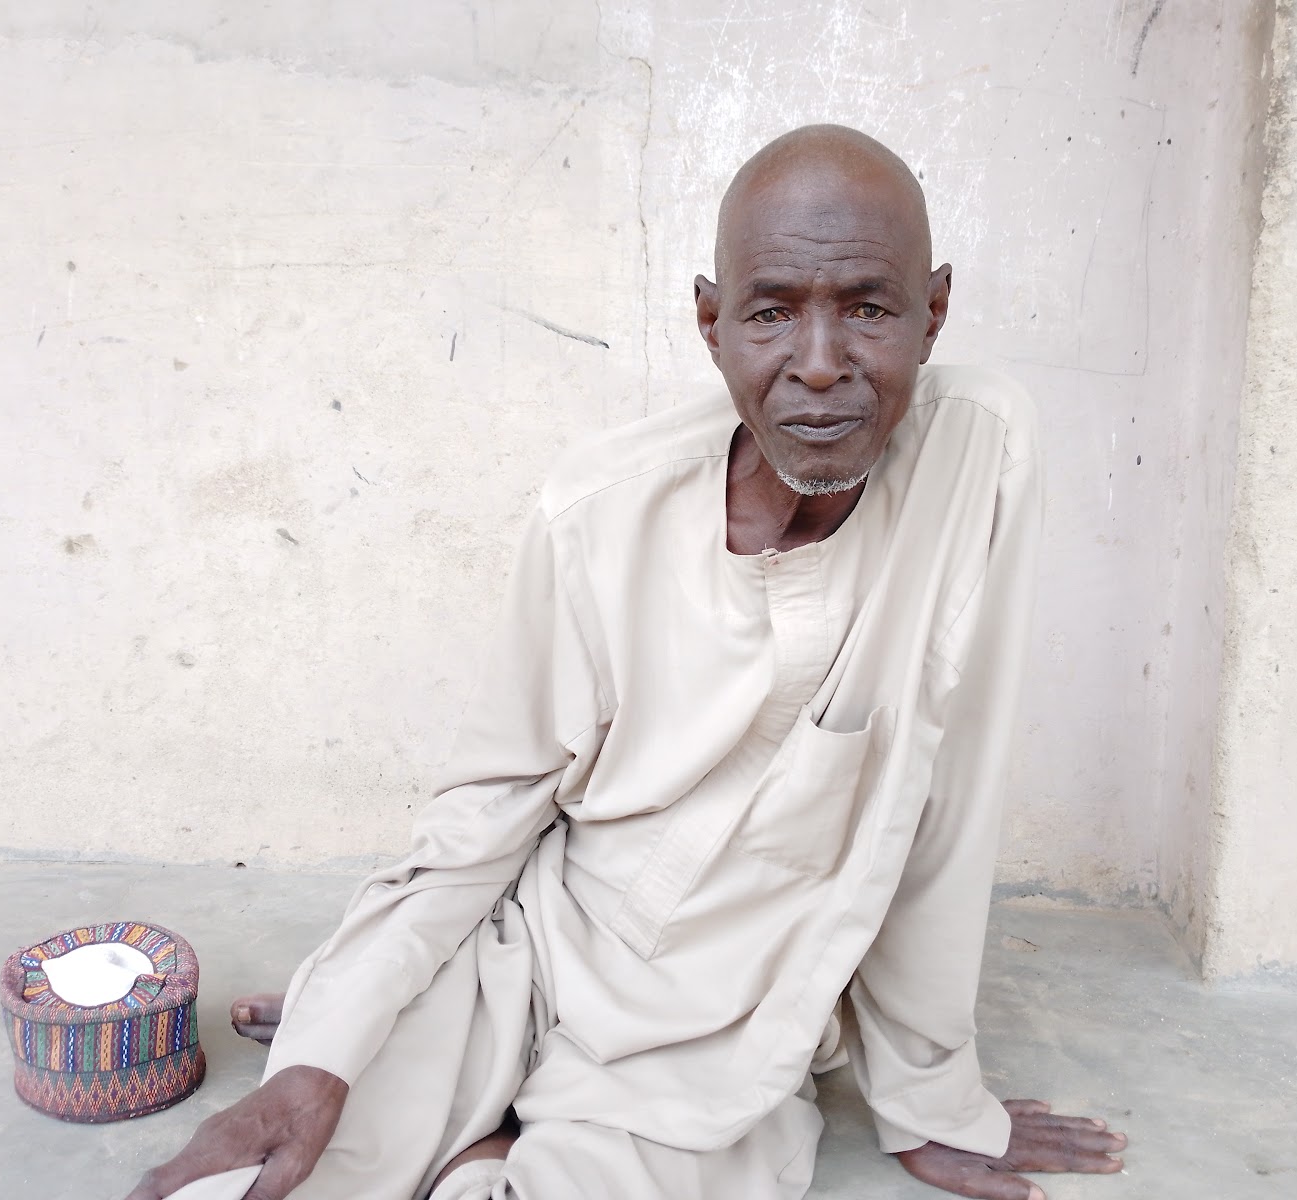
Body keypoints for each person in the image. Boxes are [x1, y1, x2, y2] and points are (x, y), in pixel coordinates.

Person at [127, 124, 1127, 1200]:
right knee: (268, 1175)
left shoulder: (976, 452)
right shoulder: (598, 510)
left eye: (871, 309)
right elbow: (486, 816)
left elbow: (942, 805)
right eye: (771, 310)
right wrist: (339, 1033)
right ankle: (459, 1074)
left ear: (933, 313)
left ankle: (497, 1141)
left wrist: (925, 1097)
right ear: (711, 321)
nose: (822, 362)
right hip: (535, 947)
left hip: (719, 1028)